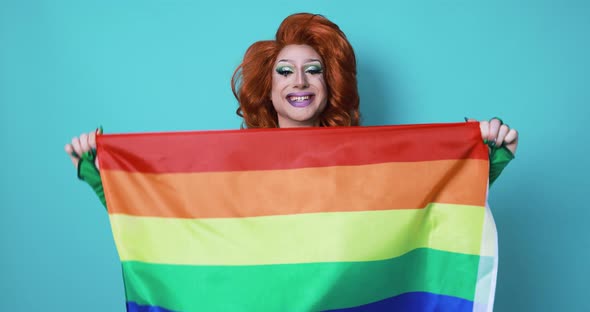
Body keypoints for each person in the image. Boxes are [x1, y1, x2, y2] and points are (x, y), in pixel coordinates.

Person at [64, 12, 518, 206]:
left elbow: (428, 204)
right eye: (285, 72)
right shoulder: (233, 165)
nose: (299, 82)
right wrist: (99, 172)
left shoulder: (365, 160)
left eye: (313, 70)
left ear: (330, 82)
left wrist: (484, 158)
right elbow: (167, 217)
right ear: (268, 86)